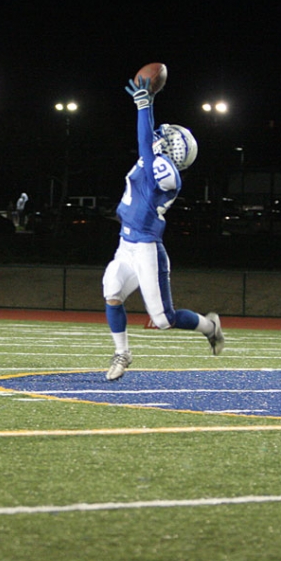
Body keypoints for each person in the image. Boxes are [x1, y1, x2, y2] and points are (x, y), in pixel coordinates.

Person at [100, 73, 224, 382]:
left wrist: (145, 105)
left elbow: (145, 143)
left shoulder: (166, 171)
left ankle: (211, 327)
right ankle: (122, 353)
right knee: (112, 291)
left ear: (173, 151)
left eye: (166, 137)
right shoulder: (154, 157)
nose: (160, 135)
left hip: (146, 248)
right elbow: (146, 138)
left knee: (164, 319)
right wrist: (145, 105)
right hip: (126, 242)